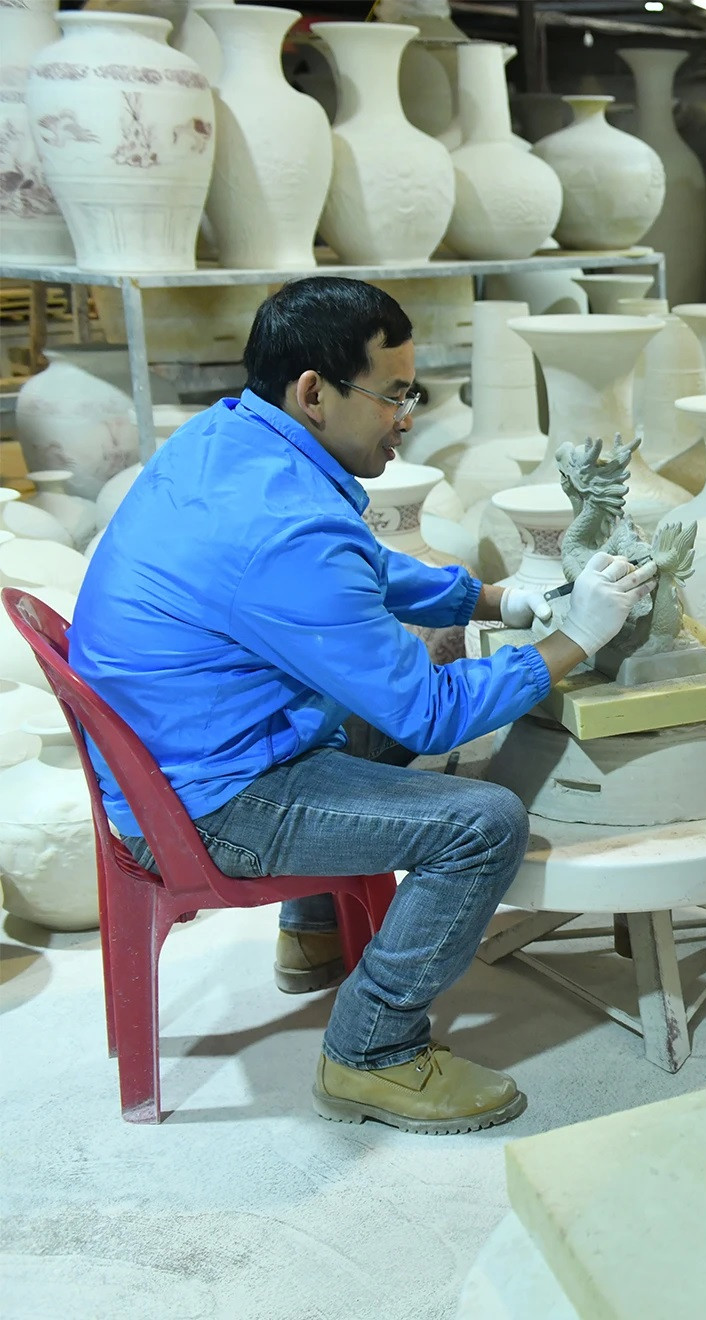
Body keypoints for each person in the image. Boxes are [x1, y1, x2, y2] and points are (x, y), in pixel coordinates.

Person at [69, 277, 658, 1133]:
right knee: (482, 822)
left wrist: (489, 600)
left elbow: (360, 571)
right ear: (314, 392)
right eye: (394, 394)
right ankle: (372, 1053)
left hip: (183, 748)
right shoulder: (284, 530)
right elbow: (428, 713)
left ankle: (315, 933)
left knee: (363, 704)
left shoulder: (230, 441)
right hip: (206, 799)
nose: (408, 415)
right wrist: (577, 642)